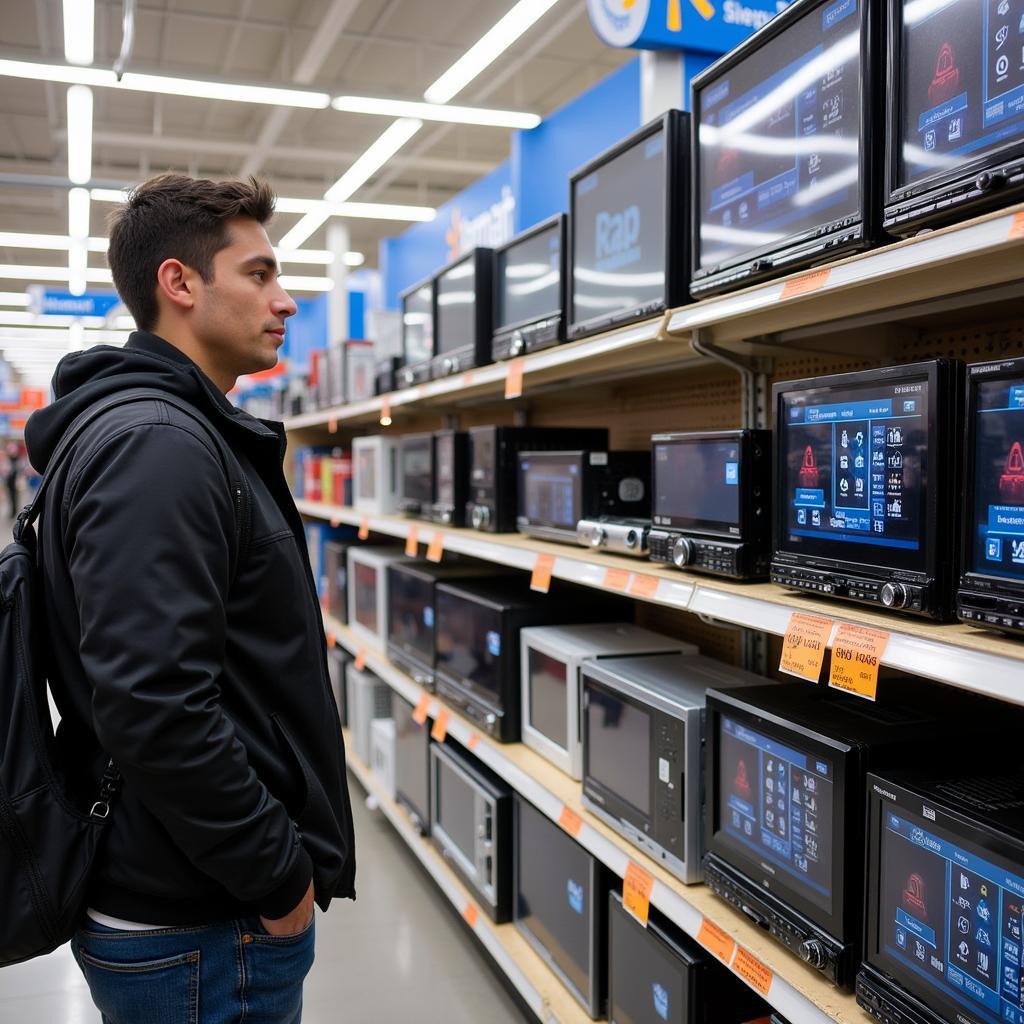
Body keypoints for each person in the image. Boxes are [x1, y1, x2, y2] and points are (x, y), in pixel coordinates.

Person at [23, 173, 356, 1024]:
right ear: (180, 283)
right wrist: (277, 875)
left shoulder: (163, 431)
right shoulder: (160, 447)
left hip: (187, 903)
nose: (285, 301)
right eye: (259, 274)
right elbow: (155, 704)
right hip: (198, 922)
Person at [4, 440, 20, 516]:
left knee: (14, 496)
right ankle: (13, 511)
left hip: (13, 480)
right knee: (11, 496)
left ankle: (14, 511)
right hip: (10, 480)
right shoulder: (10, 459)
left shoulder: (14, 459)